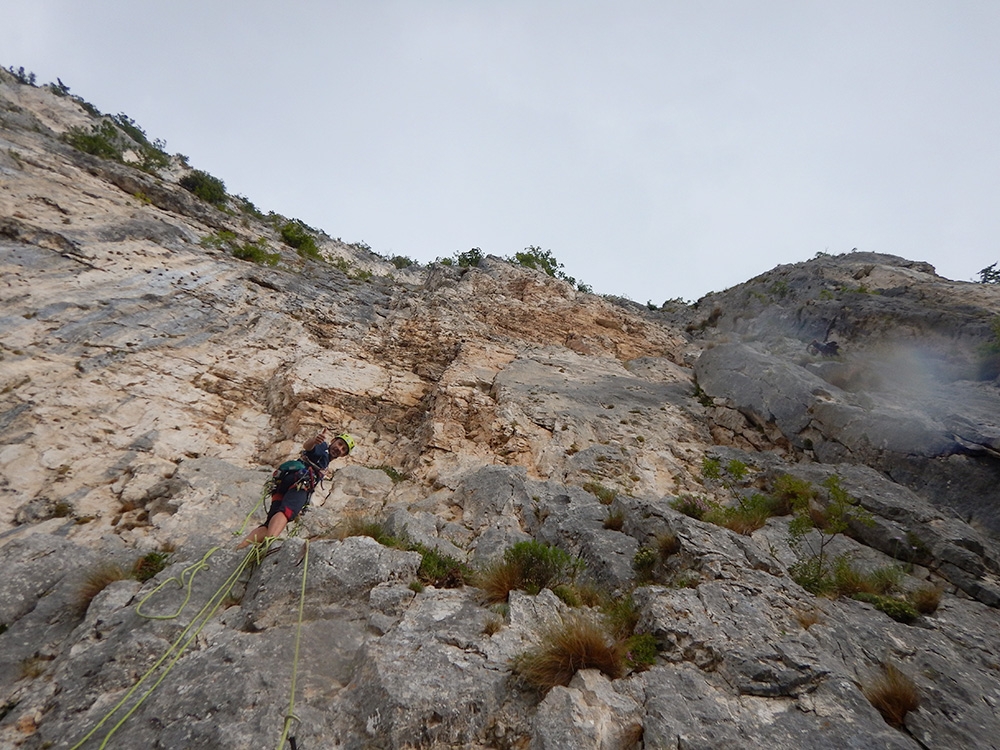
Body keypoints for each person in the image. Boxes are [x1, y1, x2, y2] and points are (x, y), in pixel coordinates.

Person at [237, 429, 355, 548]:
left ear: (343, 455)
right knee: (287, 512)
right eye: (340, 444)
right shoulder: (323, 447)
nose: (340, 449)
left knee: (269, 522)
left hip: (284, 483)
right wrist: (314, 440)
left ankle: (240, 547)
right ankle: (269, 544)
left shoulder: (325, 460)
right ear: (333, 440)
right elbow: (308, 447)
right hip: (299, 483)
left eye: (343, 449)